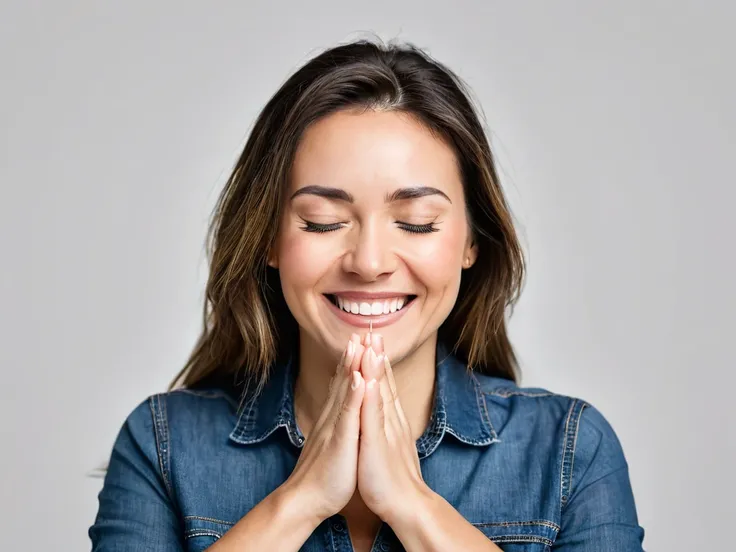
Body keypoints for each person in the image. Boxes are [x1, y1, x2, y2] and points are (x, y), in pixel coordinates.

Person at [89, 39, 645, 551]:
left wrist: (414, 507)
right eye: (323, 221)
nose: (370, 262)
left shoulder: (570, 450)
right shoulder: (164, 445)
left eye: (418, 222)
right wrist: (299, 501)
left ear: (471, 242)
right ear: (268, 239)